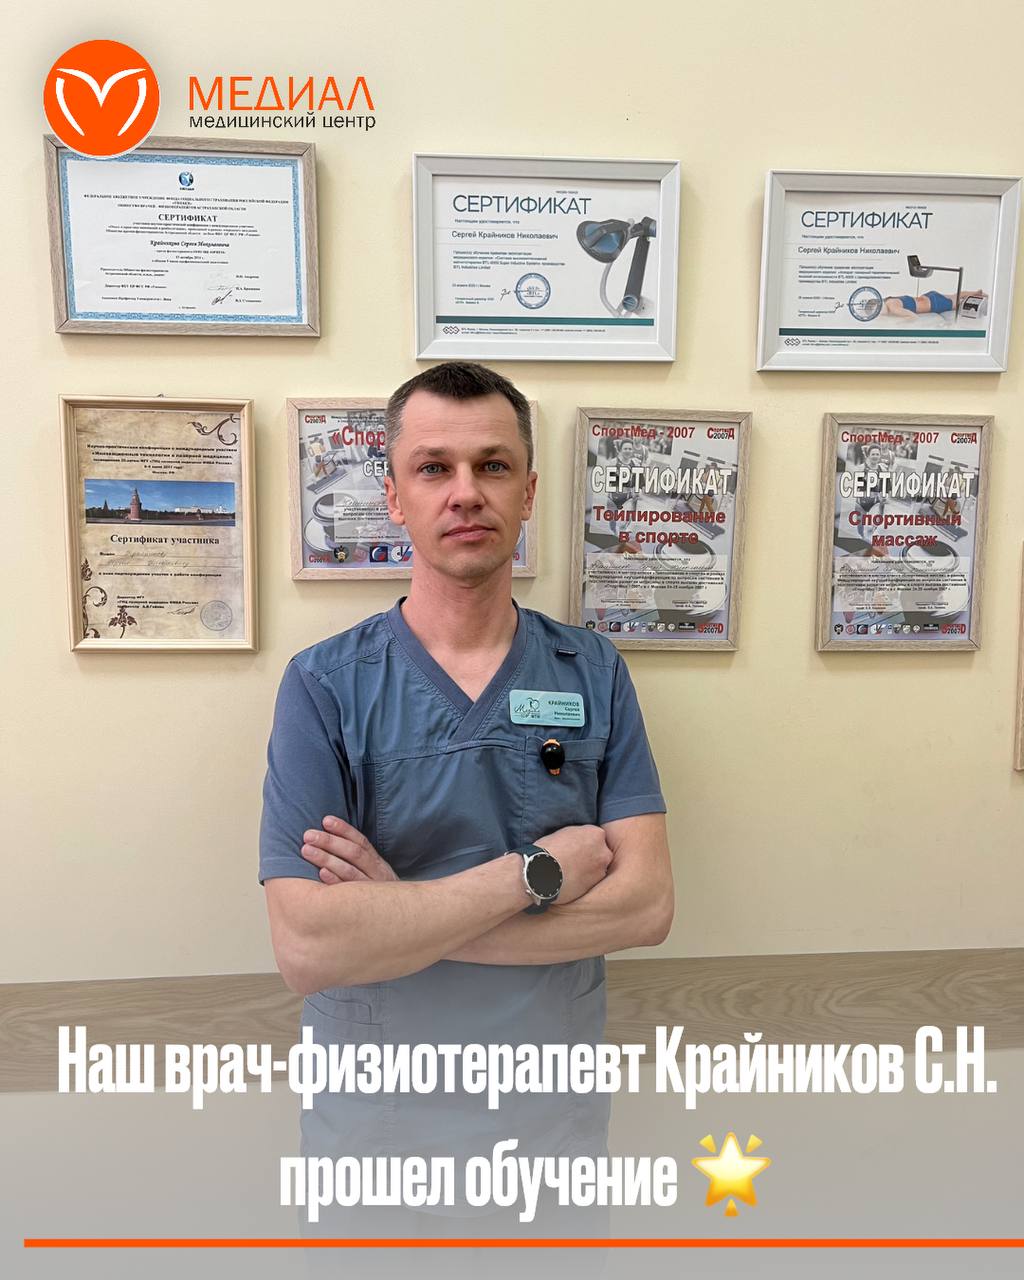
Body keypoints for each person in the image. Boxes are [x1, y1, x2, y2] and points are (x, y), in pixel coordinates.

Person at [259, 361, 673, 1274]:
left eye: (492, 466)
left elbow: (646, 907)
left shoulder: (593, 673)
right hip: (376, 1145)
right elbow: (309, 948)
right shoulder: (324, 687)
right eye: (433, 468)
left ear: (528, 492)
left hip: (550, 1140)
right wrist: (533, 875)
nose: (465, 492)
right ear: (393, 496)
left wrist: (397, 914)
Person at [882, 288, 986, 318]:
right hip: (929, 296)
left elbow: (913, 317)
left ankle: (976, 296)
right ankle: (976, 293)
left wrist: (899, 324)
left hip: (935, 303)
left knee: (959, 303)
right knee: (955, 296)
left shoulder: (893, 307)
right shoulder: (888, 300)